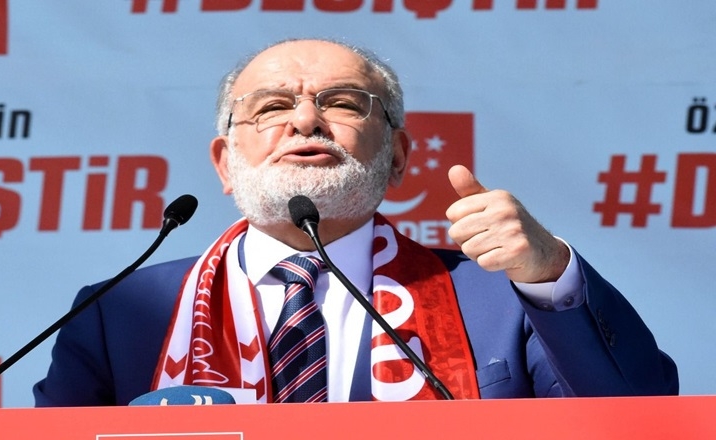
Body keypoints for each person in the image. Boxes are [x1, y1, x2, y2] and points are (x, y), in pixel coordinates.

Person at [34, 38, 678, 406]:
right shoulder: (116, 313)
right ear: (225, 163)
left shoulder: (501, 298)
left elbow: (638, 418)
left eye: (342, 103)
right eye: (271, 107)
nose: (305, 121)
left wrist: (551, 275)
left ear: (397, 157)